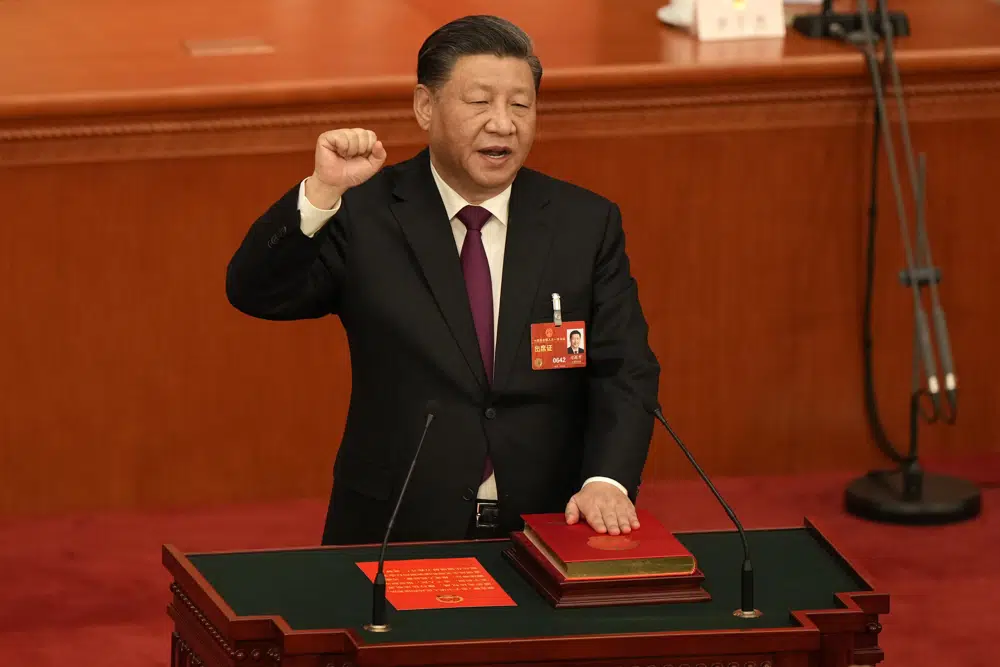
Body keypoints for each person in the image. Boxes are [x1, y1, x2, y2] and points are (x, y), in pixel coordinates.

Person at [225, 15, 660, 545]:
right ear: (425, 107)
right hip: (395, 527)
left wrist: (606, 480)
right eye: (480, 102)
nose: (503, 123)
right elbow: (256, 292)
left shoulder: (584, 223)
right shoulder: (366, 214)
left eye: (520, 105)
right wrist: (320, 194)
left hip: (548, 524)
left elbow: (624, 368)